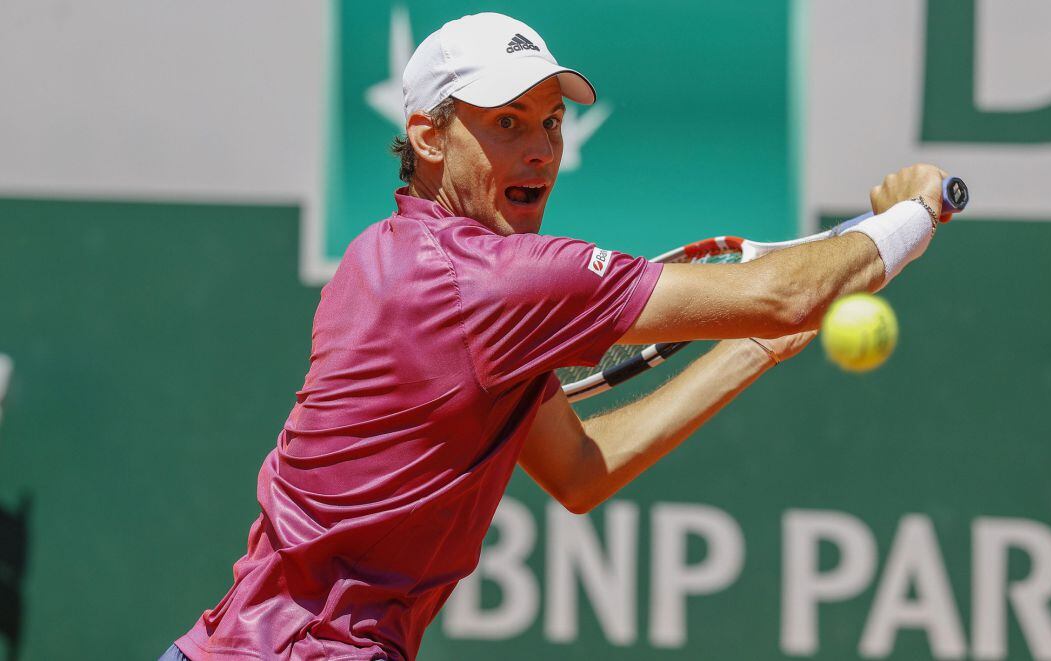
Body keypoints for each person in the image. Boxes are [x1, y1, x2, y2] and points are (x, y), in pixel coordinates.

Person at [163, 12, 947, 661]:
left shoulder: (382, 258)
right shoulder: (494, 284)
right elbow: (787, 292)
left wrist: (752, 350)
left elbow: (578, 470)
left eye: (550, 122)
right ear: (428, 139)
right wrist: (916, 214)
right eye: (506, 123)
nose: (540, 149)